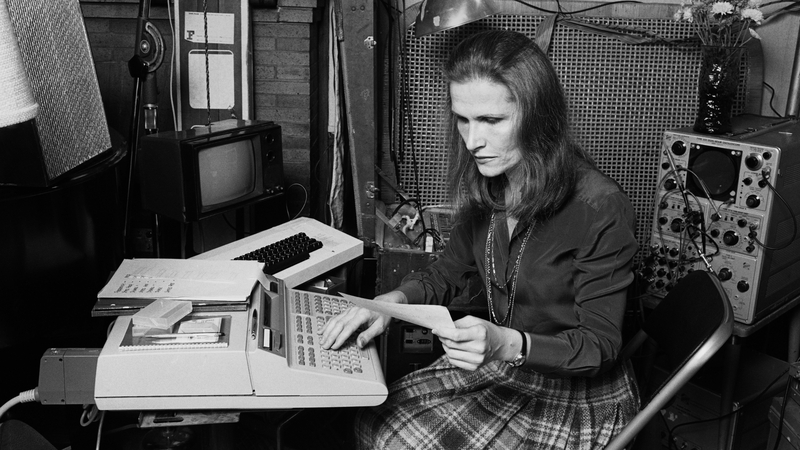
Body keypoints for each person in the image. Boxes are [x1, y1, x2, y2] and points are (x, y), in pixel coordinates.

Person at [321, 29, 640, 449]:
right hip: (507, 364)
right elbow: (447, 273)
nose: (473, 141)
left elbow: (599, 346)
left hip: (576, 390)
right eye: (463, 119)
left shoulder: (600, 206)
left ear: (538, 116)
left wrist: (504, 343)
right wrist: (389, 306)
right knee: (374, 419)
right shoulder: (490, 184)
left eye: (492, 121)